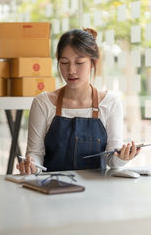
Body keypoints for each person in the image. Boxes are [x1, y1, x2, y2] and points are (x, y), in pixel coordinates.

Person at [17, 28, 140, 175]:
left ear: (93, 63)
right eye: (64, 63)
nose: (71, 70)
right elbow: (35, 154)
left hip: (95, 193)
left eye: (79, 62)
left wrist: (122, 158)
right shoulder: (43, 103)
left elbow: (111, 160)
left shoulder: (110, 103)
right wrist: (31, 166)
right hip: (52, 190)